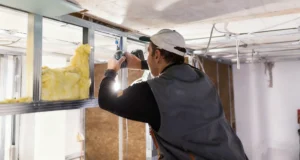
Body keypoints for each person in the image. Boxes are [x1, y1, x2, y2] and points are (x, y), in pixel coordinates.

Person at [98, 29, 248, 160]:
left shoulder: (152, 92)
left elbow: (106, 100)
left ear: (157, 55)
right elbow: (173, 69)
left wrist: (111, 71)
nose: (147, 56)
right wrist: (140, 64)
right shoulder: (199, 77)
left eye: (148, 52)